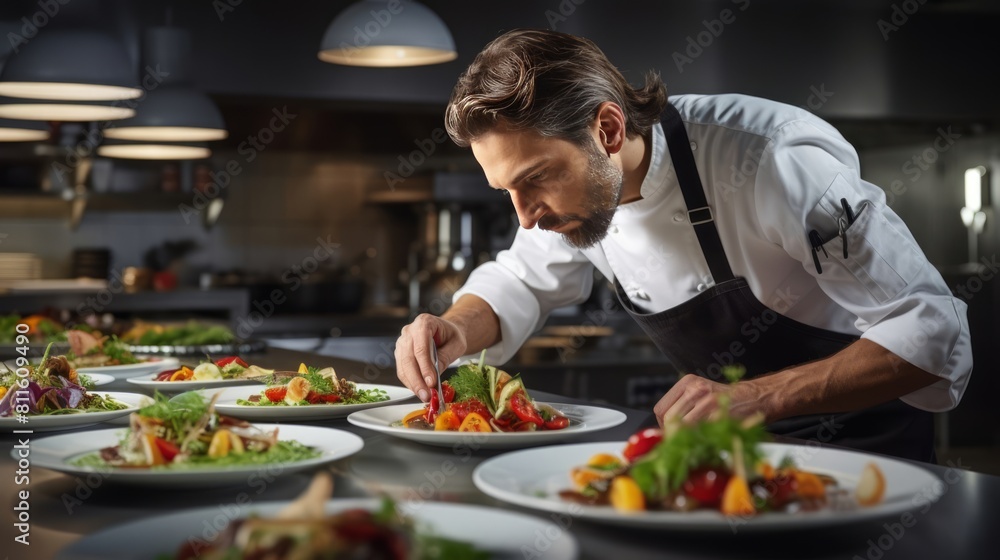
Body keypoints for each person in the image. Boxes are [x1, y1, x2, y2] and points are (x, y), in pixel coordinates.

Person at [393, 28, 972, 462]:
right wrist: (458, 328)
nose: (524, 214)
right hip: (723, 458)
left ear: (609, 130)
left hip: (871, 457)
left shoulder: (769, 158)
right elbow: (519, 279)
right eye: (507, 190)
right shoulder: (575, 196)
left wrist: (758, 397)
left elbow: (933, 328)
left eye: (535, 178)